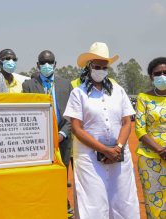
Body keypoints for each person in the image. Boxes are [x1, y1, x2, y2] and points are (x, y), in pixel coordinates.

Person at [63, 42, 140, 219]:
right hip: (90, 157)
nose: (100, 70)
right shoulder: (78, 93)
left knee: (123, 200)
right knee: (93, 203)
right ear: (89, 67)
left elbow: (127, 121)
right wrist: (103, 149)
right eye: (97, 67)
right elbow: (76, 127)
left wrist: (118, 147)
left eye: (104, 67)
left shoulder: (118, 91)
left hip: (118, 155)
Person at [22, 50, 73, 216]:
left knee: (61, 174)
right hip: (38, 141)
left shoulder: (66, 84)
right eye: (43, 63)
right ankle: (42, 205)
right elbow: (25, 115)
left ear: (55, 64)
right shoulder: (28, 85)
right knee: (40, 174)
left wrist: (62, 135)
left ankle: (61, 204)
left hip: (62, 139)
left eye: (50, 62)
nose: (46, 65)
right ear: (37, 65)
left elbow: (72, 115)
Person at [135, 57, 166, 218]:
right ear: (151, 77)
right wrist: (160, 150)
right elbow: (140, 129)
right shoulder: (143, 98)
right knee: (154, 200)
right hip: (150, 158)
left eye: (165, 72)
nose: (162, 76)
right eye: (158, 73)